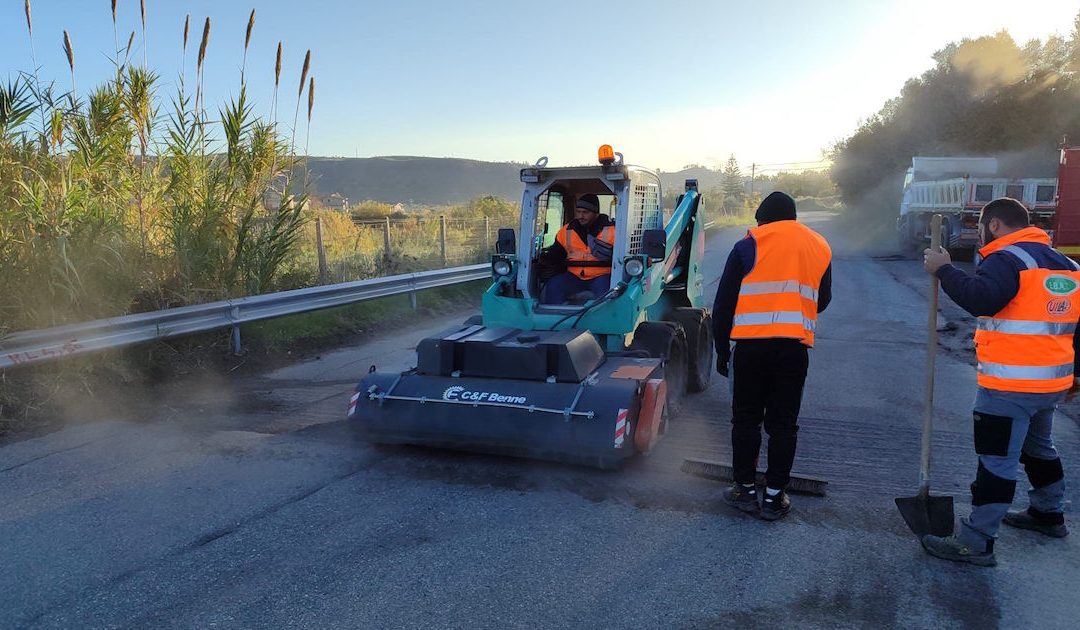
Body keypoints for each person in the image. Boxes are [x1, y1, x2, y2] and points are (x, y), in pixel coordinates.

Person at [921, 197, 1080, 567]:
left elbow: (983, 299)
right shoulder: (1067, 266)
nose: (979, 235)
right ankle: (1048, 514)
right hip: (1051, 382)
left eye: (980, 228)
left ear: (993, 225)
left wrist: (944, 270)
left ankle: (977, 541)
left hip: (1011, 384)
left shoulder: (1008, 259)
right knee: (1039, 448)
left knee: (996, 460)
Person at [711, 191, 833, 520]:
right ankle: (775, 498)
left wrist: (722, 349)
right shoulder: (819, 245)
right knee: (783, 425)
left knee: (746, 420)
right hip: (793, 349)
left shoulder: (749, 243)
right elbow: (822, 300)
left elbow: (723, 304)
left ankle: (745, 491)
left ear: (762, 218)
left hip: (751, 348)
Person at [538, 194, 616, 304]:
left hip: (601, 276)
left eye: (585, 212)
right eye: (578, 212)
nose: (581, 216)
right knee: (554, 284)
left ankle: (602, 319)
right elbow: (556, 253)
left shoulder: (613, 230)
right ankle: (553, 318)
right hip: (574, 276)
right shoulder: (567, 230)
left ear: (596, 213)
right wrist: (546, 259)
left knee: (607, 294)